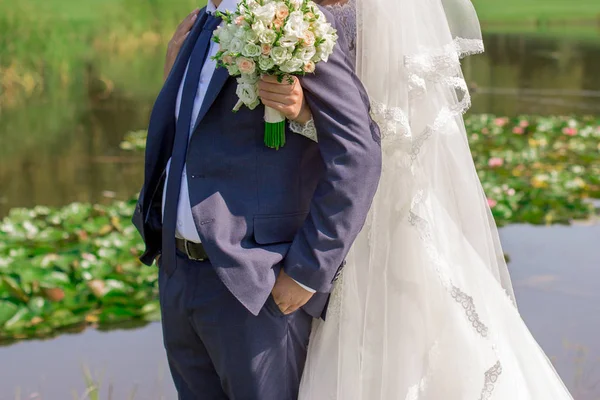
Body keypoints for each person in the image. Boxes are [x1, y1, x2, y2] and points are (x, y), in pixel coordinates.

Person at [131, 0, 381, 399]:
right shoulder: (197, 24)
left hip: (255, 286)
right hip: (179, 276)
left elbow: (359, 153)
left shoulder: (292, 24)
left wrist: (306, 272)